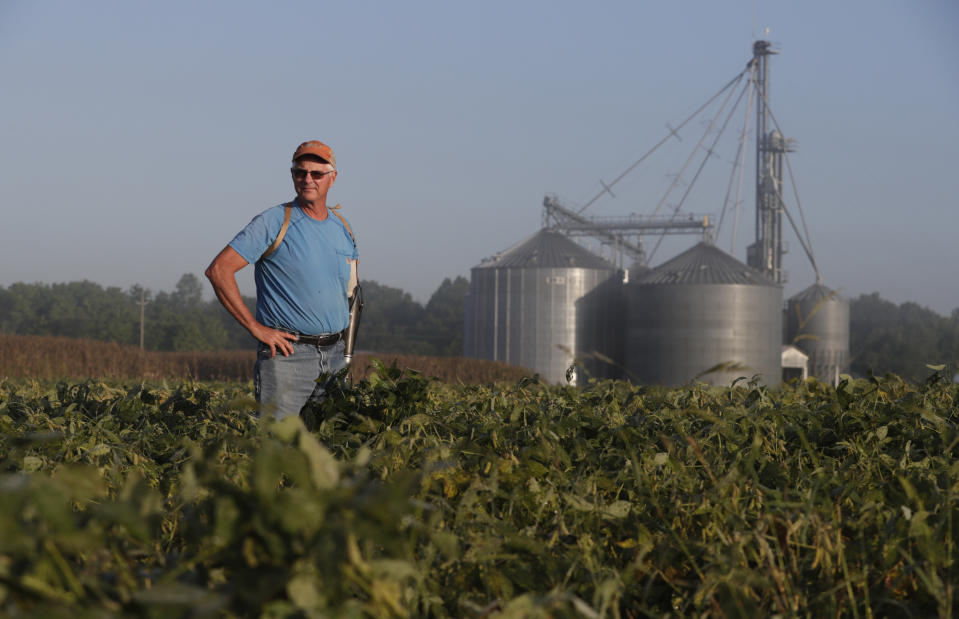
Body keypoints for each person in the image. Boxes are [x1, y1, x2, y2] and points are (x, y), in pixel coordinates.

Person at [205, 140, 358, 419]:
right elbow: (219, 270)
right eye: (300, 172)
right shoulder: (275, 221)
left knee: (329, 448)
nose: (307, 179)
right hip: (289, 357)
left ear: (333, 178)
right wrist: (255, 327)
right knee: (278, 449)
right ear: (292, 176)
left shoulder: (342, 228)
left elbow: (352, 294)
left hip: (335, 357)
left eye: (316, 173)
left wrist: (346, 352)